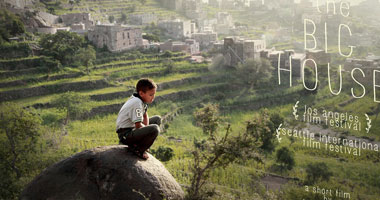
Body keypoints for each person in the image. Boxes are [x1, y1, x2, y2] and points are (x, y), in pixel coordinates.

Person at [116, 78, 161, 160]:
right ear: (141, 93)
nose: (153, 97)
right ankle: (139, 149)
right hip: (126, 134)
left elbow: (144, 115)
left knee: (157, 119)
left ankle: (141, 144)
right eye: (151, 95)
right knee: (155, 129)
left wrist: (146, 129)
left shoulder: (141, 100)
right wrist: (147, 132)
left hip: (133, 129)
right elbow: (138, 125)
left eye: (154, 94)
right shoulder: (136, 102)